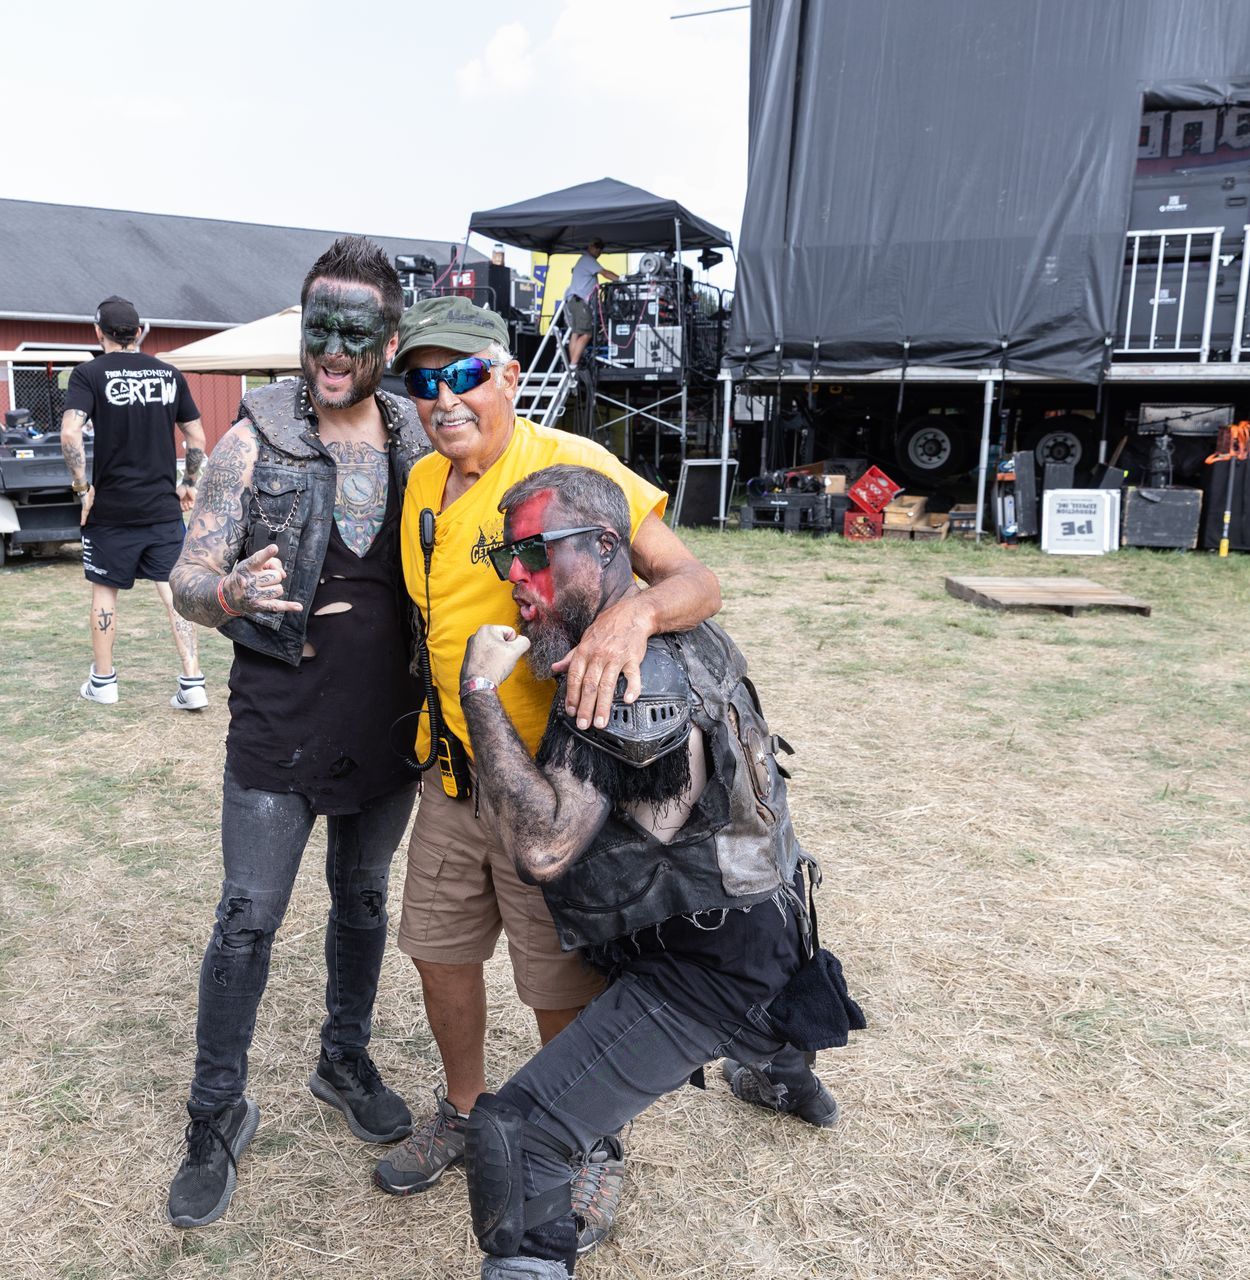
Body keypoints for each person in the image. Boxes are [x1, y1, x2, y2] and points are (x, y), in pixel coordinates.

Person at [454, 465, 861, 1276]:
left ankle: (533, 1260)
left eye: (537, 553)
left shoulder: (615, 676)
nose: (517, 579)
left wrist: (477, 692)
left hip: (701, 962)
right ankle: (789, 1078)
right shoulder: (684, 627)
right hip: (761, 904)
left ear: (608, 546)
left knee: (522, 1138)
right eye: (508, 557)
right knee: (767, 993)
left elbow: (543, 850)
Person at [377, 296, 720, 1254]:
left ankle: (585, 1143)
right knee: (439, 952)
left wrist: (633, 618)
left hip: (549, 791)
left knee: (554, 979)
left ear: (508, 375)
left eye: (464, 375)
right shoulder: (422, 490)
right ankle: (464, 1107)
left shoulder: (567, 464)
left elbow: (695, 580)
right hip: (452, 778)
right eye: (424, 382)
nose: (444, 399)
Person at [162, 236, 431, 1228]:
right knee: (246, 917)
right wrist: (225, 590)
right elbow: (189, 579)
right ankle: (214, 1114)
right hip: (278, 724)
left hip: (389, 724)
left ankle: (342, 1057)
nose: (330, 349)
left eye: (353, 334)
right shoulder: (254, 435)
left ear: (388, 341)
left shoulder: (417, 434)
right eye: (318, 327)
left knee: (362, 898)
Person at [59, 295, 207, 711]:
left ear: (98, 332)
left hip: (111, 510)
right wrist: (189, 482)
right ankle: (193, 682)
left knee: (105, 591)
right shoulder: (168, 375)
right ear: (139, 332)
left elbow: (70, 434)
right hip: (161, 507)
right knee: (173, 591)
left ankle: (103, 683)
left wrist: (82, 489)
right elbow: (196, 438)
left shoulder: (88, 374)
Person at [561, 239, 621, 369]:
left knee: (576, 333)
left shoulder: (583, 260)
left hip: (574, 301)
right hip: (580, 302)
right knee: (586, 333)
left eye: (601, 247)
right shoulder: (588, 260)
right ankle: (573, 365)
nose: (599, 250)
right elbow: (605, 273)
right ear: (589, 246)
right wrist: (622, 280)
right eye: (597, 246)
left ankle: (572, 365)